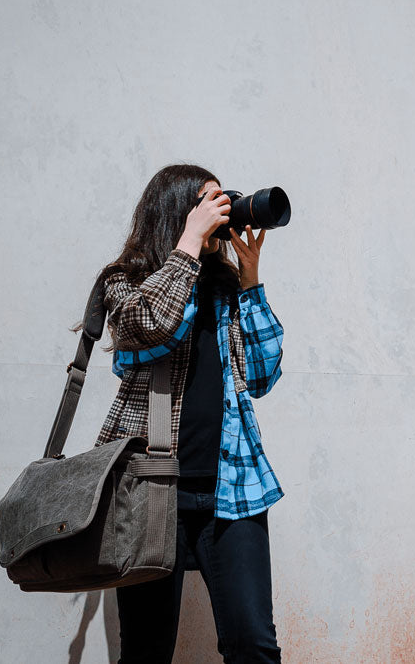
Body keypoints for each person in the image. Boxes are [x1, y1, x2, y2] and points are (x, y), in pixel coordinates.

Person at [91, 163, 285, 663]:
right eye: (208, 202)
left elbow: (262, 377)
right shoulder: (125, 281)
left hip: (233, 487)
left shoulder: (225, 290)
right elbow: (148, 325)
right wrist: (187, 248)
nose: (221, 211)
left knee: (253, 645)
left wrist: (251, 284)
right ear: (178, 210)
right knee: (148, 651)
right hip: (152, 490)